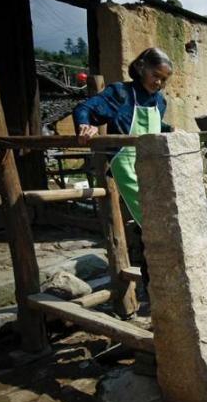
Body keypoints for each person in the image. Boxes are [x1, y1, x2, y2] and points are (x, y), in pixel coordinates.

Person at [73, 47, 174, 291]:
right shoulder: (121, 94)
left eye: (164, 79)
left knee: (159, 221)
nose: (159, 83)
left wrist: (170, 131)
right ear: (141, 68)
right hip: (126, 165)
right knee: (152, 223)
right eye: (156, 76)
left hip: (151, 164)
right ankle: (155, 286)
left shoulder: (160, 101)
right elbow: (84, 109)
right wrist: (86, 126)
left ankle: (158, 284)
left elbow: (155, 125)